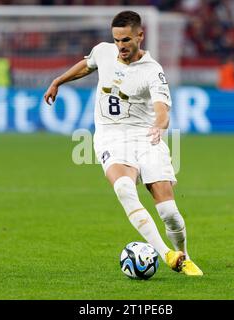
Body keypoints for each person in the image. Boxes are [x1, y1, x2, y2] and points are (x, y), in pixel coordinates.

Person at [44, 11, 203, 276]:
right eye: (116, 40)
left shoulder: (153, 71)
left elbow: (162, 108)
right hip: (111, 136)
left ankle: (183, 254)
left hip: (146, 135)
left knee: (169, 213)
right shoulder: (104, 52)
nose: (121, 46)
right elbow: (87, 65)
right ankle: (167, 255)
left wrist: (160, 123)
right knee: (124, 189)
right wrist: (58, 80)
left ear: (140, 35)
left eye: (126, 39)